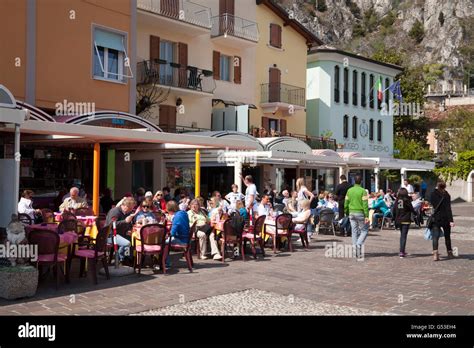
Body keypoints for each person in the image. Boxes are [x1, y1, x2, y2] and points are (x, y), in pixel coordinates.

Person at [105, 197, 137, 264]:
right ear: (125, 206)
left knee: (134, 240)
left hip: (122, 233)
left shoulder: (127, 212)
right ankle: (119, 259)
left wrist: (129, 229)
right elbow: (111, 225)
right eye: (130, 208)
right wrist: (125, 221)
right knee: (127, 243)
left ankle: (127, 259)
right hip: (111, 235)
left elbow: (129, 224)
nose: (131, 210)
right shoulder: (115, 211)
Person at [344, 175, 369, 259]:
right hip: (360, 213)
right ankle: (358, 244)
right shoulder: (363, 191)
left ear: (354, 181)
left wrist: (346, 212)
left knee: (354, 232)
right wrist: (367, 215)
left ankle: (355, 251)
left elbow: (346, 203)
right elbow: (365, 204)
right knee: (364, 230)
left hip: (351, 212)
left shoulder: (349, 190)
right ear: (361, 181)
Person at [429, 181, 455, 261]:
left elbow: (432, 204)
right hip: (446, 218)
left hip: (436, 218)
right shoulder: (447, 195)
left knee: (435, 237)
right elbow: (448, 209)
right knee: (447, 237)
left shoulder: (433, 194)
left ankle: (435, 255)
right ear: (445, 187)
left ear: (437, 186)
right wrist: (451, 220)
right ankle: (449, 253)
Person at [392, 188, 415, 258]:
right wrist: (415, 213)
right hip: (406, 220)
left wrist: (394, 218)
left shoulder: (397, 200)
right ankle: (402, 251)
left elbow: (394, 210)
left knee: (402, 235)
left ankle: (401, 250)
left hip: (399, 219)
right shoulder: (407, 200)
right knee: (404, 236)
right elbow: (411, 209)